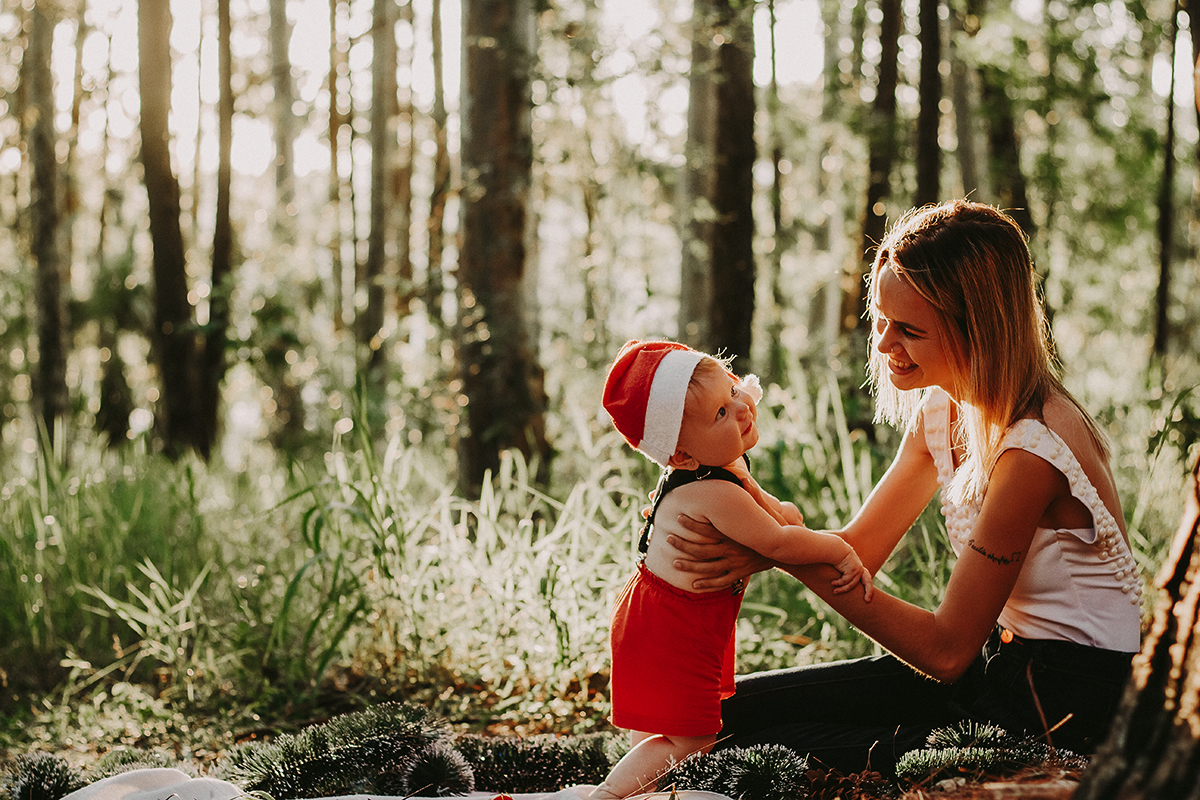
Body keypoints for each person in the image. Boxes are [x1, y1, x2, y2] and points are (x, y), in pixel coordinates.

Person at [667, 200, 1143, 775]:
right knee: (714, 713)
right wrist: (743, 517)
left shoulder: (1033, 451)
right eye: (881, 317)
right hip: (995, 666)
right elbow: (859, 551)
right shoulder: (942, 411)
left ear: (981, 330)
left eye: (911, 329)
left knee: (749, 752)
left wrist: (779, 551)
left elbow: (945, 650)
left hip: (1063, 707)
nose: (885, 342)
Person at [591, 339, 874, 799]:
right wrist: (837, 550)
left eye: (733, 392)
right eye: (721, 413)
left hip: (665, 615)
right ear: (681, 456)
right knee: (694, 737)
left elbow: (773, 516)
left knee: (666, 723)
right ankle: (607, 795)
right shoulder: (712, 491)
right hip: (674, 626)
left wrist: (781, 511)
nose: (742, 408)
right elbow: (779, 540)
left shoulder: (721, 467)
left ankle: (642, 787)